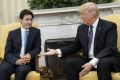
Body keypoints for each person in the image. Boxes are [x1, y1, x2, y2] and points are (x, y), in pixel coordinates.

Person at [44, 2, 120, 80]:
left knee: (102, 62)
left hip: (106, 59)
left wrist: (92, 62)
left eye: (83, 14)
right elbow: (75, 46)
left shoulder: (109, 26)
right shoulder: (81, 28)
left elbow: (109, 48)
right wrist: (57, 51)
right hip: (88, 60)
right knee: (70, 62)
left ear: (92, 14)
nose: (81, 17)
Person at [0, 9, 41, 80]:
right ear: (21, 20)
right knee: (3, 70)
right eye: (27, 19)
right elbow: (7, 53)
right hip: (12, 60)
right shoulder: (12, 33)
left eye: (31, 19)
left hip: (26, 62)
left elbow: (38, 48)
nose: (30, 22)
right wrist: (16, 61)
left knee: (21, 71)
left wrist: (30, 55)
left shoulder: (36, 32)